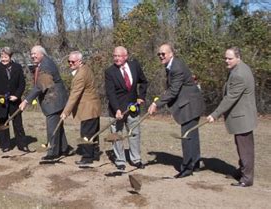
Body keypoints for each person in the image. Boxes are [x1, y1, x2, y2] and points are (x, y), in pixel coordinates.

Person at [147, 43, 205, 178]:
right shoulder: (171, 66)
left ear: (171, 53)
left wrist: (157, 104)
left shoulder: (176, 67)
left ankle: (186, 168)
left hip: (190, 105)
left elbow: (173, 91)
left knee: (187, 136)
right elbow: (174, 87)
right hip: (191, 103)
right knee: (192, 135)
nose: (161, 56)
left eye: (163, 54)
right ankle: (194, 164)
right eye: (159, 54)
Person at [206, 47, 257, 187]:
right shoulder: (240, 68)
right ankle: (241, 171)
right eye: (226, 58)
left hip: (243, 117)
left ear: (238, 57)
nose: (226, 61)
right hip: (243, 116)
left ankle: (247, 178)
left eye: (230, 58)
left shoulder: (239, 74)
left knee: (245, 149)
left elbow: (230, 98)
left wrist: (214, 115)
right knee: (241, 147)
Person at [19, 45, 70, 161]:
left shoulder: (46, 65)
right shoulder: (43, 64)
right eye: (31, 54)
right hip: (55, 100)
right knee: (58, 126)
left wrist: (26, 100)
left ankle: (52, 153)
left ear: (42, 54)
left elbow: (40, 86)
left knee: (52, 127)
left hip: (54, 101)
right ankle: (64, 148)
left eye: (35, 53)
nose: (32, 56)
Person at [104, 46, 148, 170]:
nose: (116, 58)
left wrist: (141, 96)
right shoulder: (110, 72)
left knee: (134, 133)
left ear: (126, 57)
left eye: (119, 56)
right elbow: (110, 93)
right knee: (117, 135)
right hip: (117, 109)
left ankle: (136, 159)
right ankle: (120, 161)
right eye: (114, 56)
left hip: (133, 107)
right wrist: (117, 109)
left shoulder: (135, 66)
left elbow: (144, 82)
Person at [60, 51, 102, 165]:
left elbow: (74, 95)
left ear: (80, 61)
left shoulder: (81, 75)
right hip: (93, 107)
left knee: (86, 133)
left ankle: (87, 158)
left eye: (73, 61)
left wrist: (66, 112)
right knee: (93, 133)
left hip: (88, 108)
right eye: (69, 61)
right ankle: (95, 155)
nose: (70, 63)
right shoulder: (85, 69)